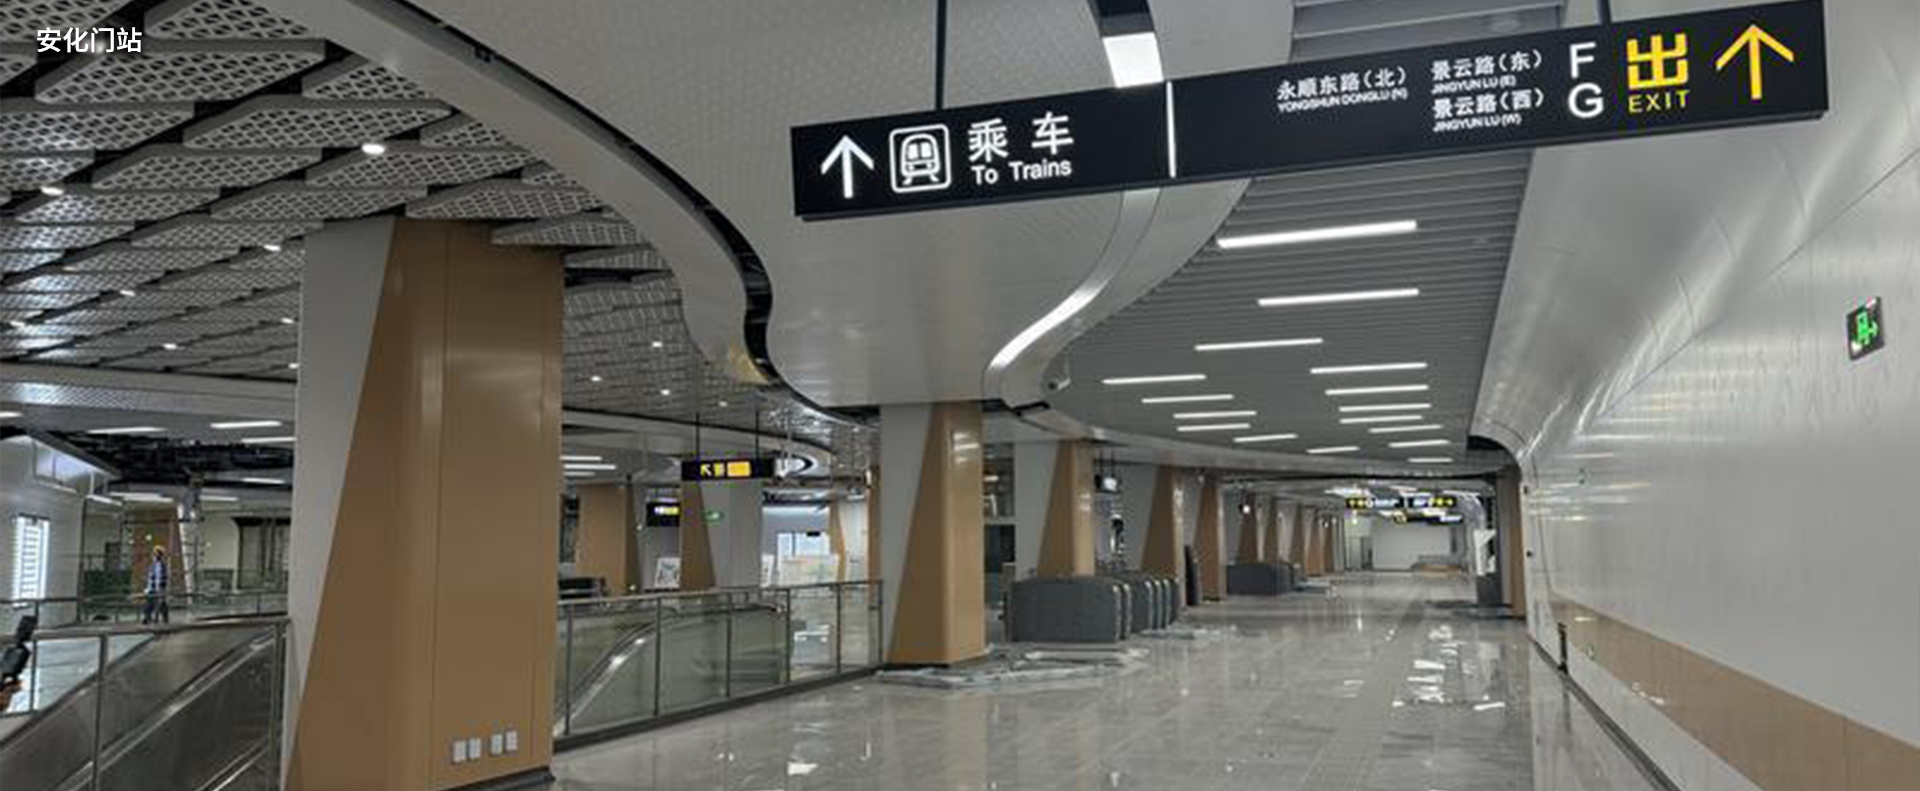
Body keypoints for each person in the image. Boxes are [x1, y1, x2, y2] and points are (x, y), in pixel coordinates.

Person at [142, 546, 170, 625]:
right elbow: (150, 578)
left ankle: (164, 619)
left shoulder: (163, 565)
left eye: (156, 554)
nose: (154, 556)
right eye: (154, 554)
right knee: (149, 603)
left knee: (161, 604)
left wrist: (162, 588)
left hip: (159, 588)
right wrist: (148, 588)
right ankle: (147, 618)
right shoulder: (152, 566)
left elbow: (163, 578)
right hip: (152, 588)